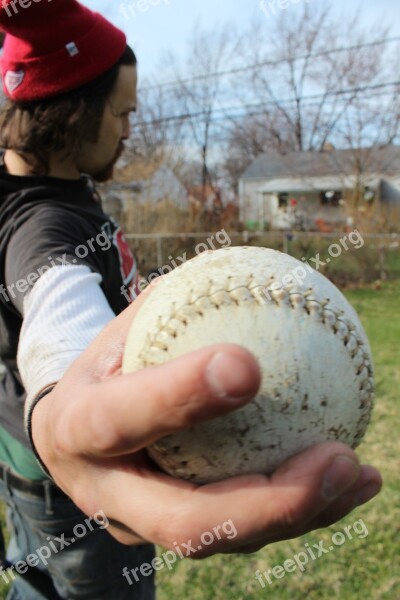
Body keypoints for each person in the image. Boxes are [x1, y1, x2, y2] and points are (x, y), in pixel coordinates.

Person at [0, 1, 382, 599]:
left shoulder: (55, 192)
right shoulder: (41, 222)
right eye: (122, 111)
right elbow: (56, 299)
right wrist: (64, 403)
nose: (129, 130)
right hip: (66, 482)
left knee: (36, 580)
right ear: (73, 108)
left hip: (24, 467)